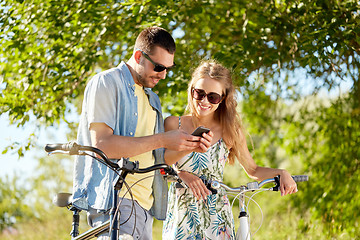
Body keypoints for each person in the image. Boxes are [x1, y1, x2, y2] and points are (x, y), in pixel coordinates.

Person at [72, 26, 210, 240]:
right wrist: (163, 138)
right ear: (138, 56)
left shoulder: (152, 99)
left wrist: (189, 145)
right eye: (158, 67)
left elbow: (157, 157)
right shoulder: (107, 83)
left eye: (168, 69)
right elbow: (103, 145)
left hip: (145, 210)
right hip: (116, 202)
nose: (163, 75)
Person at [162, 59, 298, 239]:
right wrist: (183, 172)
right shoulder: (173, 123)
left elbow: (253, 170)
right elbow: (162, 164)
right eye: (199, 93)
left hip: (217, 215)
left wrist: (281, 172)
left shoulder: (230, 130)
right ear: (191, 90)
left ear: (222, 99)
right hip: (182, 214)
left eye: (213, 97)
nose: (204, 101)